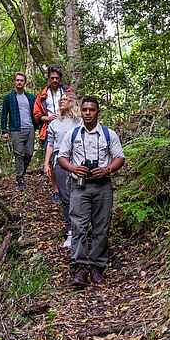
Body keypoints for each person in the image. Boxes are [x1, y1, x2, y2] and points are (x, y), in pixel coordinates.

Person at [57, 96, 125, 287]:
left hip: (103, 186)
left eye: (91, 110)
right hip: (79, 186)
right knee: (78, 226)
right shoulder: (72, 134)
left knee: (101, 227)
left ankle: (96, 267)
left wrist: (107, 169)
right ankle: (79, 268)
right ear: (81, 111)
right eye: (85, 110)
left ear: (97, 112)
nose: (88, 113)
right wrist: (73, 168)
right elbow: (62, 157)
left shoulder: (108, 134)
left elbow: (119, 157)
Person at [43, 94, 82, 249]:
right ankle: (70, 232)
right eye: (60, 99)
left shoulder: (79, 121)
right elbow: (50, 144)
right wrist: (47, 163)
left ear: (71, 102)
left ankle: (82, 229)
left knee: (79, 194)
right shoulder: (54, 124)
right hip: (60, 160)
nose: (61, 100)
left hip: (77, 159)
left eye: (65, 98)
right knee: (65, 197)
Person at [33, 65, 71, 200]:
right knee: (51, 161)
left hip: (67, 128)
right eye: (52, 78)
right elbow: (36, 115)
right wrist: (47, 118)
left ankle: (70, 186)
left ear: (60, 79)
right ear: (48, 78)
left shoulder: (67, 91)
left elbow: (75, 106)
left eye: (57, 78)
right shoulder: (42, 95)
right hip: (49, 129)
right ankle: (56, 190)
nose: (55, 80)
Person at [0, 72, 38, 190]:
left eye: (21, 80)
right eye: (17, 80)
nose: (19, 82)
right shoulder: (8, 98)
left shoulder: (31, 97)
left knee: (29, 153)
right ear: (14, 82)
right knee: (19, 154)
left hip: (30, 128)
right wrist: (4, 131)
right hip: (16, 129)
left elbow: (36, 112)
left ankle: (22, 172)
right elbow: (4, 115)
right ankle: (20, 178)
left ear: (24, 82)